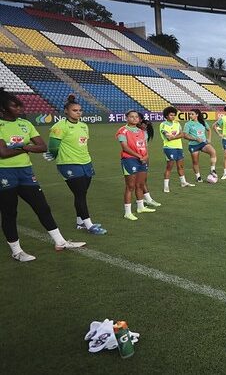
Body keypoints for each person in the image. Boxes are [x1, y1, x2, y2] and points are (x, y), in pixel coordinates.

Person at [0, 88, 86, 262]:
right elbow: (3, 153)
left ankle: (60, 241)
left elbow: (43, 147)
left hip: (26, 172)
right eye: (15, 106)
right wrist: (26, 147)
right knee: (9, 213)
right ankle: (17, 251)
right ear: (3, 108)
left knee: (42, 207)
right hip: (4, 173)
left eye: (19, 106)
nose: (19, 108)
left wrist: (21, 147)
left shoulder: (26, 124)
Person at [43, 95, 106, 235]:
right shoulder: (59, 126)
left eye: (80, 110)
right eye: (74, 110)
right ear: (66, 111)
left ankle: (80, 222)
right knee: (80, 194)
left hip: (86, 162)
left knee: (82, 193)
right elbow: (53, 146)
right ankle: (89, 225)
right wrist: (53, 155)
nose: (78, 112)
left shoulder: (84, 126)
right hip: (69, 164)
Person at [117, 111, 158, 221]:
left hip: (142, 160)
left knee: (140, 184)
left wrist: (146, 156)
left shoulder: (142, 131)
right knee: (130, 186)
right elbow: (125, 147)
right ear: (126, 118)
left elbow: (145, 146)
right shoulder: (122, 131)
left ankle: (141, 207)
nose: (134, 119)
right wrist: (139, 156)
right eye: (131, 117)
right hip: (129, 160)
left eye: (136, 117)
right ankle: (128, 212)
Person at [160, 106, 194, 192]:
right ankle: (166, 186)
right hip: (169, 148)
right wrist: (176, 136)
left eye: (174, 115)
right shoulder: (163, 124)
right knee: (169, 167)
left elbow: (182, 134)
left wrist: (174, 137)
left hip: (179, 147)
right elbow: (168, 137)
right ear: (166, 116)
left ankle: (183, 182)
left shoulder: (177, 124)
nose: (173, 117)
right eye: (171, 115)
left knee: (180, 166)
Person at [183, 109, 217, 182]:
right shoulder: (188, 124)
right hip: (193, 145)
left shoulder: (203, 122)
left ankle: (213, 170)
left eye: (192, 114)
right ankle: (198, 177)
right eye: (190, 114)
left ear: (197, 115)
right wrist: (195, 139)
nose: (190, 115)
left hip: (203, 143)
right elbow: (185, 135)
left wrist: (209, 139)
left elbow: (209, 130)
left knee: (213, 151)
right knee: (195, 162)